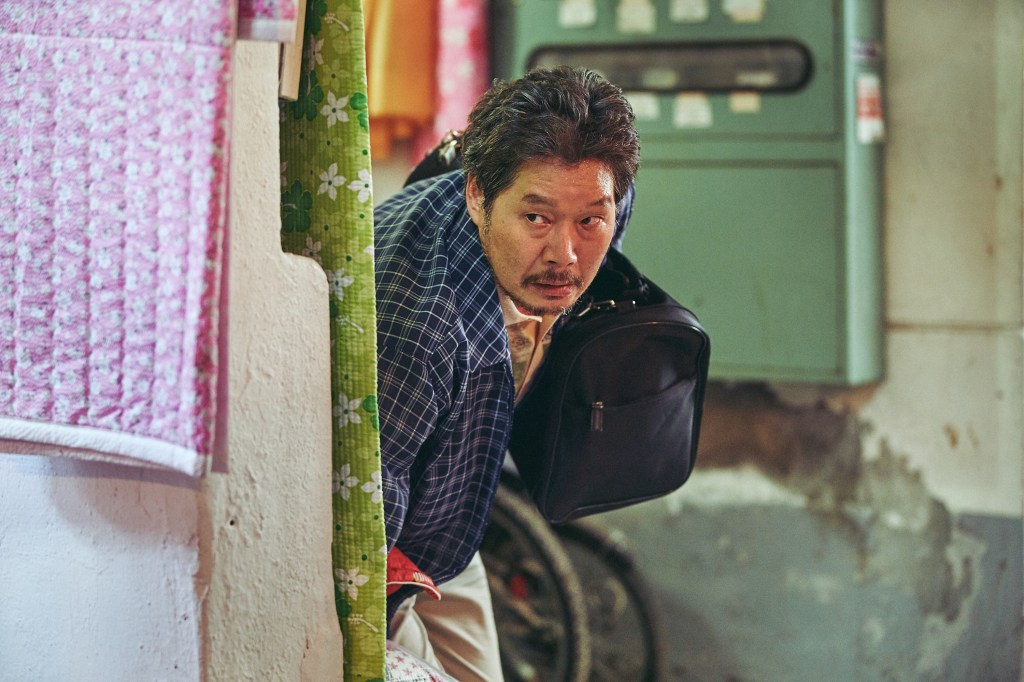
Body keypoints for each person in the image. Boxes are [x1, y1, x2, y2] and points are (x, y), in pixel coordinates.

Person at [374, 65, 641, 680]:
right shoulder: (422, 326)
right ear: (477, 195)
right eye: (537, 219)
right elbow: (362, 534)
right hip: (392, 546)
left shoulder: (607, 191)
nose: (564, 256)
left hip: (455, 517)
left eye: (589, 222)